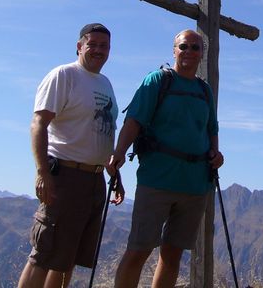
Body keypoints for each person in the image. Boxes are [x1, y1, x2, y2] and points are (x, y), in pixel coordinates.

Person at [106, 29, 224, 288]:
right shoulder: (157, 81)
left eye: (195, 47)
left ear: (202, 53)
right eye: (184, 46)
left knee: (172, 255)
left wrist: (216, 154)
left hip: (194, 184)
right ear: (174, 50)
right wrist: (119, 152)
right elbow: (134, 120)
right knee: (138, 250)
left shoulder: (204, 91)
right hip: (157, 180)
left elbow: (211, 129)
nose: (189, 52)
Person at [17, 23, 124, 288]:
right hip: (65, 175)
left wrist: (114, 173)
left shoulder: (105, 83)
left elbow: (100, 132)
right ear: (79, 46)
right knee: (44, 254)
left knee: (69, 257)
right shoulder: (64, 75)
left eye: (104, 46)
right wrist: (42, 172)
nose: (98, 50)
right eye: (92, 44)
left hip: (94, 179)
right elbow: (38, 123)